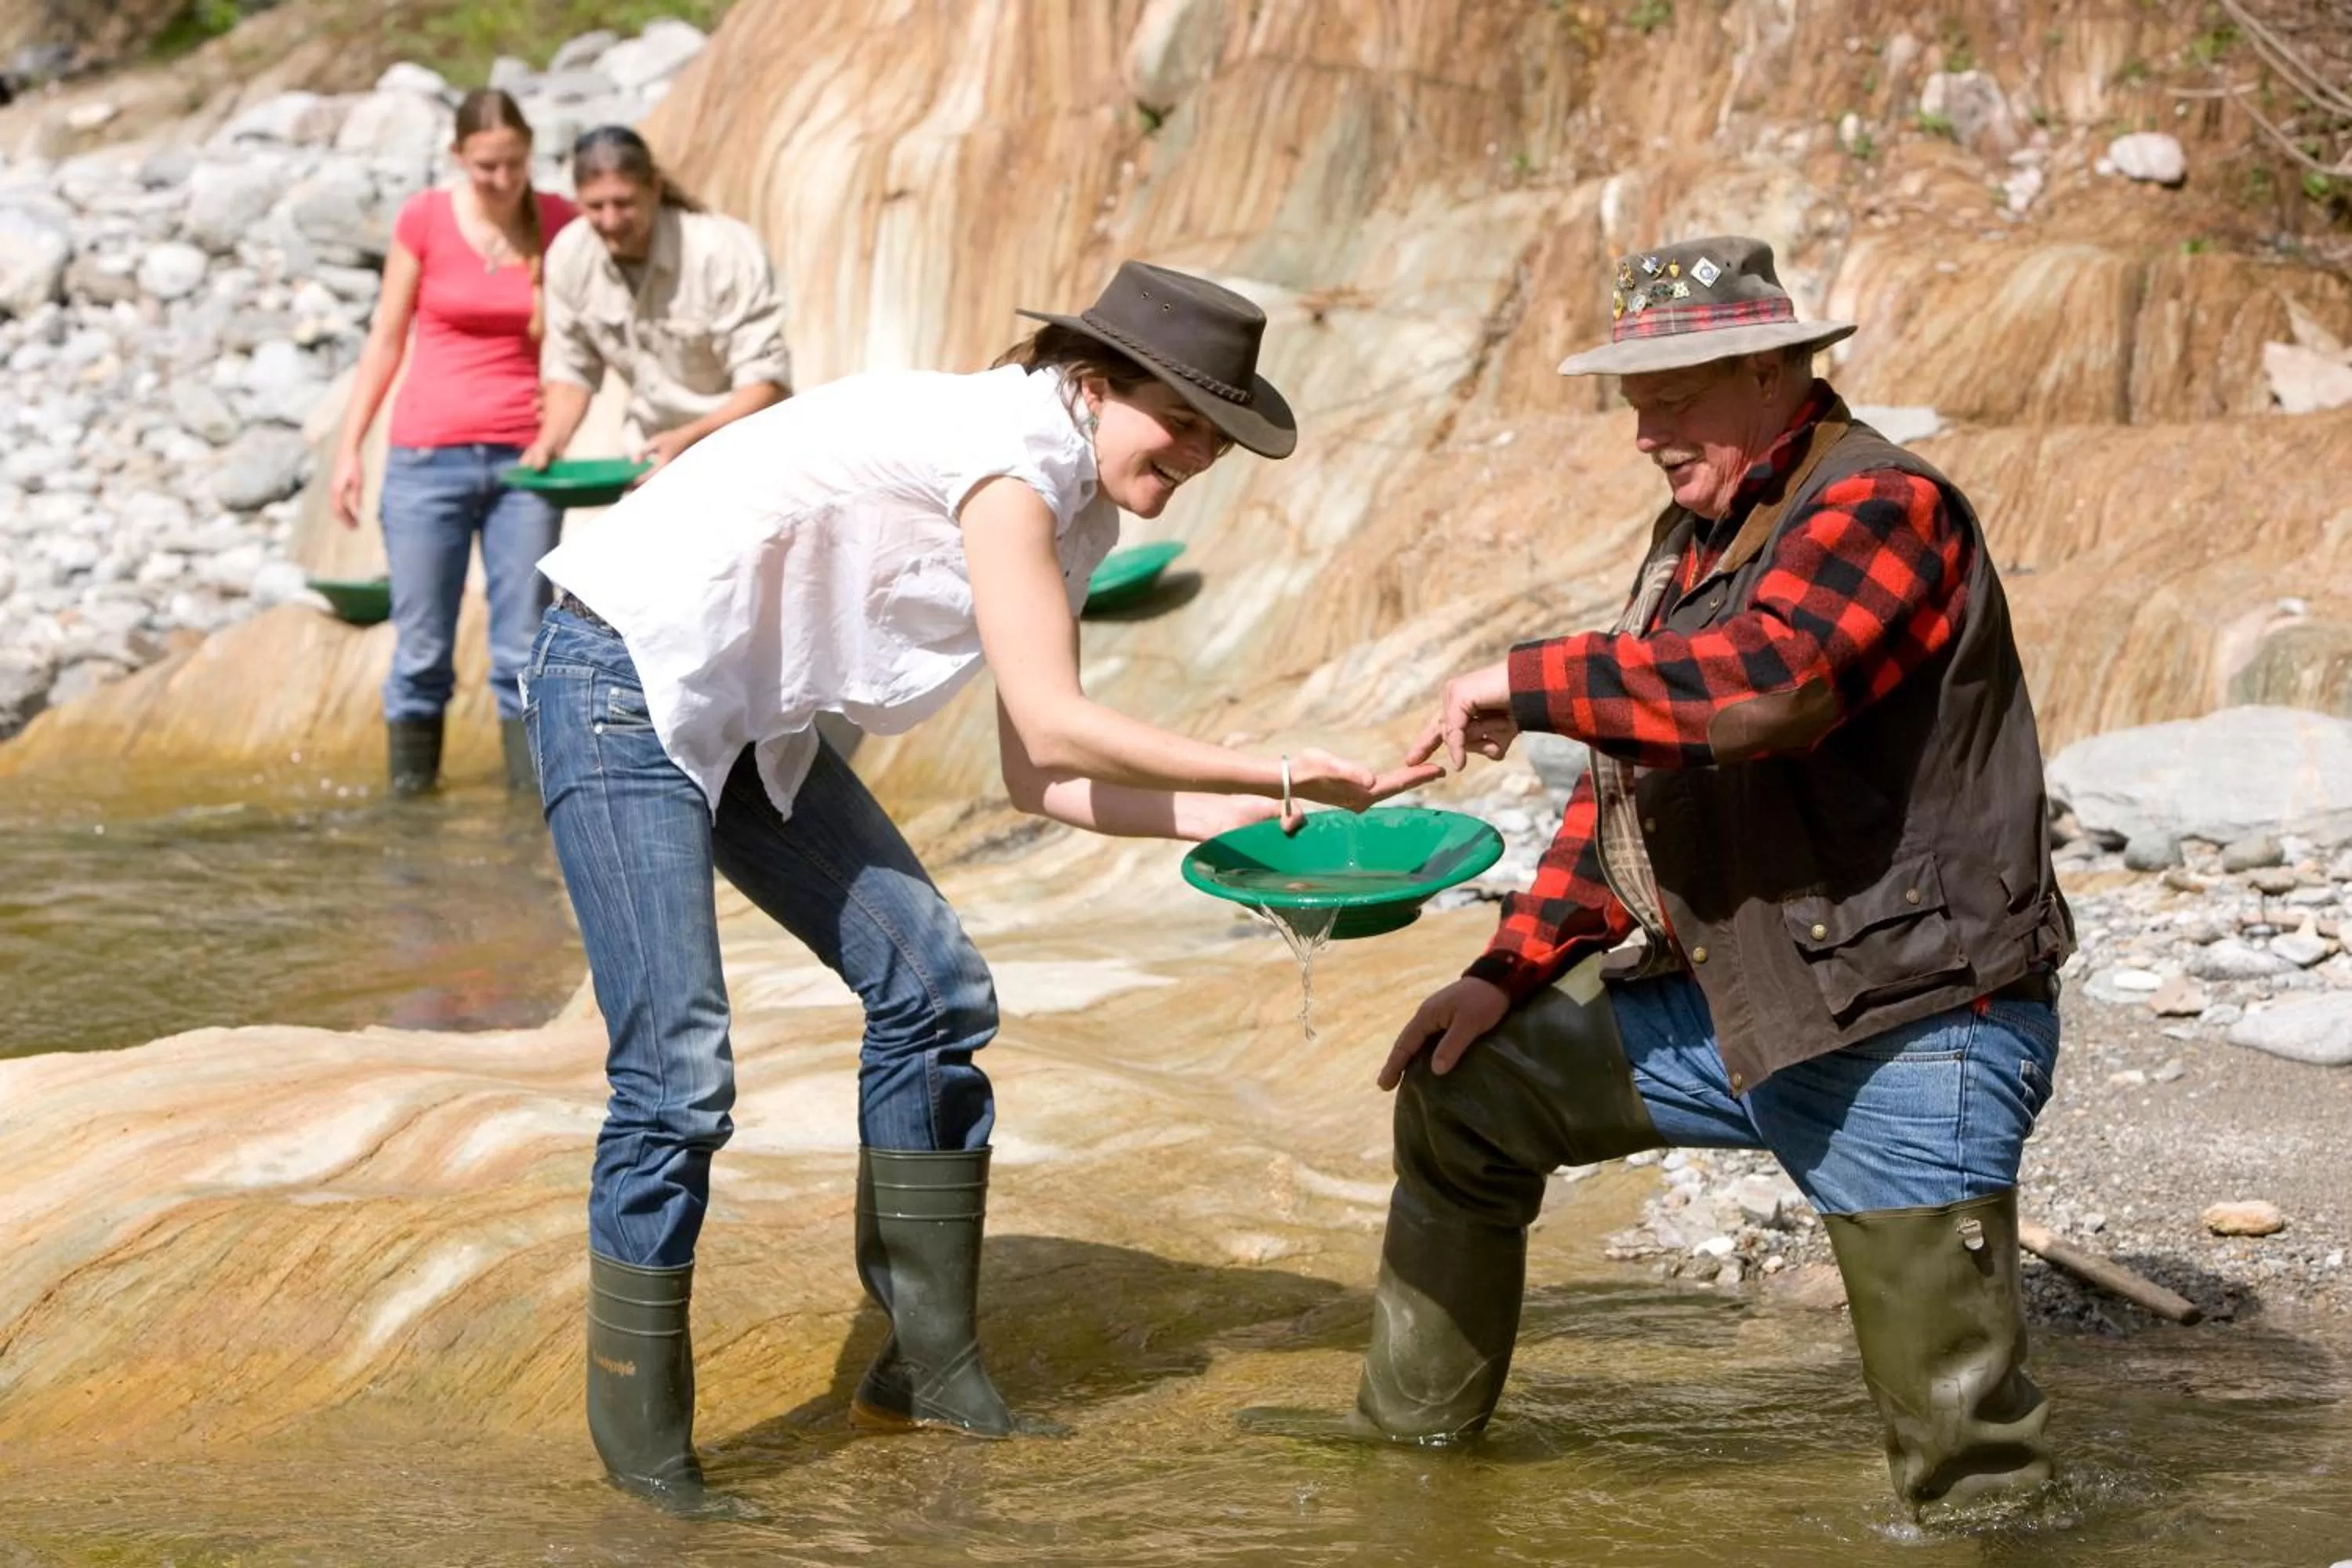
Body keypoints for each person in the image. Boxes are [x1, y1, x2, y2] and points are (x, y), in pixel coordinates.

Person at [525, 260, 1436, 1514]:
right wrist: (1275, 759)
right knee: (678, 1074)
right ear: (1096, 381)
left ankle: (926, 1365)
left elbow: (1037, 780)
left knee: (936, 988)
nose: (1199, 454)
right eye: (1183, 421)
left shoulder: (1078, 510)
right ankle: (646, 1455)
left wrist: (1271, 815)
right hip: (618, 673)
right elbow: (1063, 727)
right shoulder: (1007, 454)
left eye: (1218, 436)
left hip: (741, 720)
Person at [1356, 235, 2074, 1514]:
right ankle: (1408, 1491)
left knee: (1969, 1479)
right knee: (1464, 1097)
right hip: (1747, 1006)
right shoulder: (1697, 536)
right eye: (1636, 402)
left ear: (1771, 372)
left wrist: (1523, 681)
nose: (1646, 431)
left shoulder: (1882, 506)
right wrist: (1508, 968)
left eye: (1673, 396)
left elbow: (1770, 684)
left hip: (1911, 1024)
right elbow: (1642, 782)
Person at [329, 89, 579, 797]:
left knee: (523, 649)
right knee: (422, 653)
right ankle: (411, 819)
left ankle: (535, 821)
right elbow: (385, 338)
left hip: (524, 466)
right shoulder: (426, 219)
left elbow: (588, 334)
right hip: (425, 461)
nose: (502, 180)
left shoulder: (559, 221)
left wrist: (561, 418)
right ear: (459, 159)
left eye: (514, 164)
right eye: (486, 167)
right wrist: (350, 448)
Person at [521, 125, 790, 485]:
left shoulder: (722, 251)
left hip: (744, 455)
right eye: (596, 206)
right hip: (649, 458)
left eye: (624, 203)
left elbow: (767, 385)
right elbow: (573, 370)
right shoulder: (571, 256)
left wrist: (690, 440)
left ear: (655, 188)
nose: (611, 221)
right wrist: (550, 443)